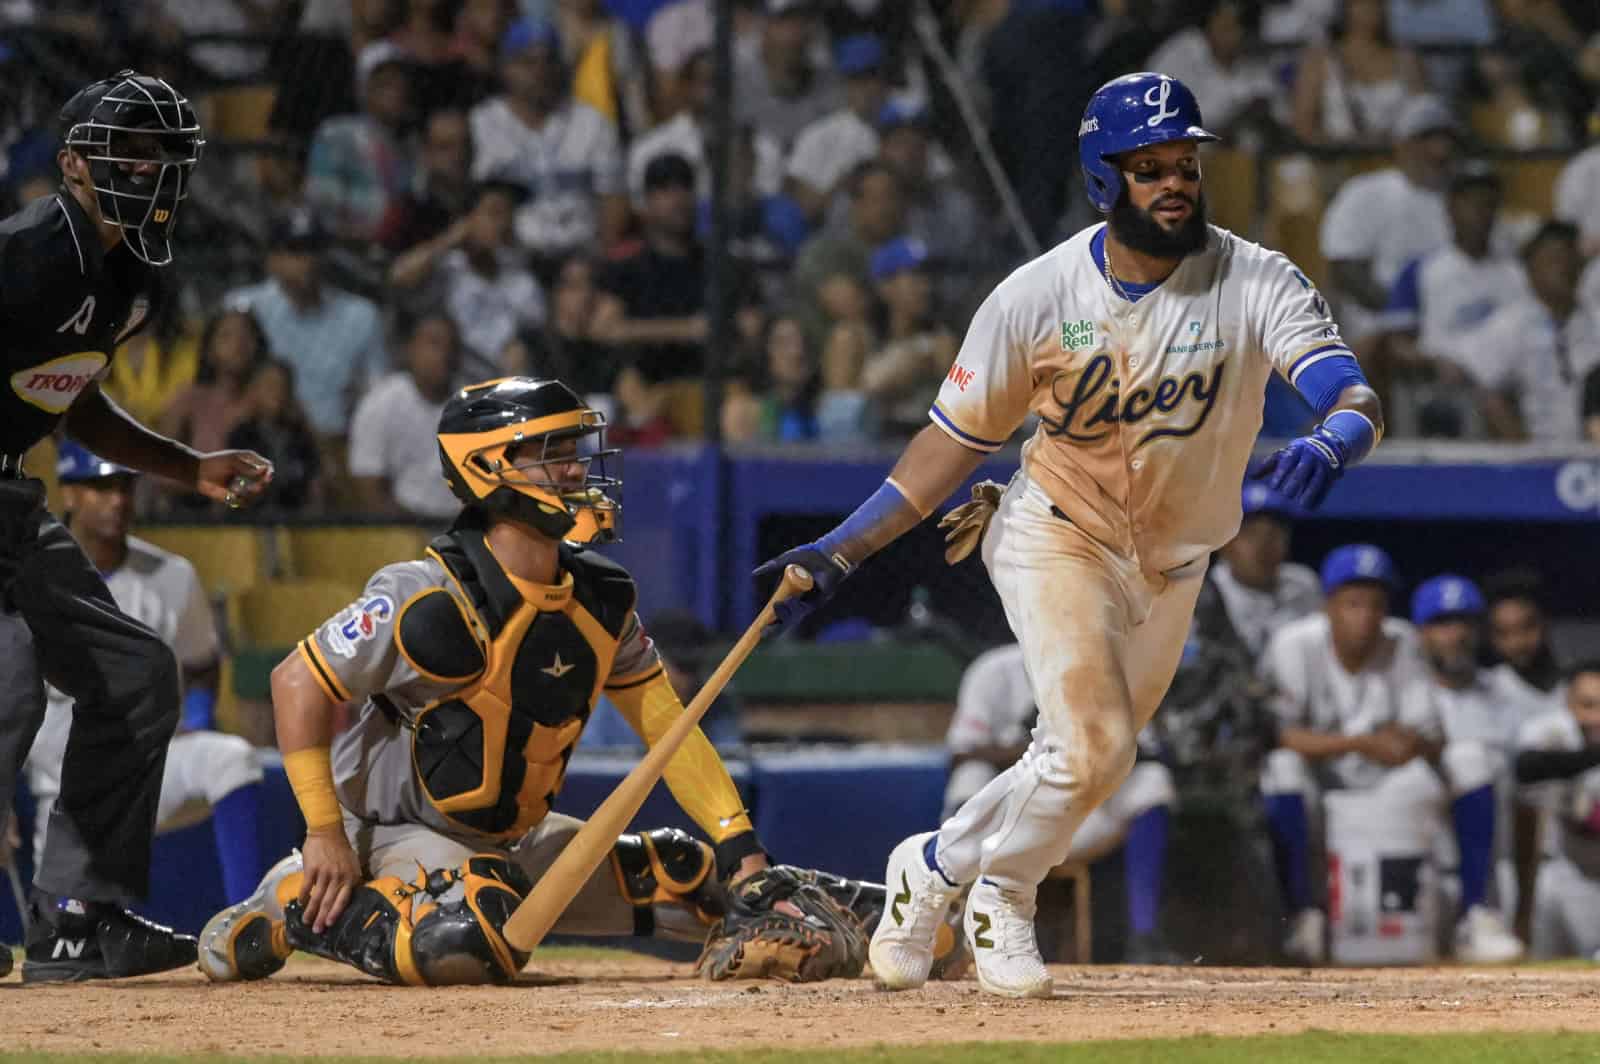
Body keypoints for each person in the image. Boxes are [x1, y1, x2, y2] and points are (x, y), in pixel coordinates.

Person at [759, 72, 1386, 998]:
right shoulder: (1036, 296)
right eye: (1149, 168)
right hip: (1057, 532)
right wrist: (843, 547)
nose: (1175, 181)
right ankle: (1001, 899)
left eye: (1184, 163)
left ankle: (929, 867)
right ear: (1104, 180)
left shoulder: (1255, 276)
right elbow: (951, 443)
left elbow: (1353, 390)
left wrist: (1336, 436)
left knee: (1079, 760)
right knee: (1098, 748)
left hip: (1177, 563)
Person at [197, 377, 888, 987]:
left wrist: (744, 854)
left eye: (574, 452)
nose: (576, 470)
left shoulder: (601, 600)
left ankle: (896, 916)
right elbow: (296, 682)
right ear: (487, 468)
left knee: (690, 873)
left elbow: (668, 732)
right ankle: (295, 898)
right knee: (469, 941)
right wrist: (323, 832)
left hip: (508, 840)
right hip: (388, 832)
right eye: (552, 454)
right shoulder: (427, 597)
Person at [0, 71, 272, 983]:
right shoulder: (31, 248)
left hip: (10, 501)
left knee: (134, 670)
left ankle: (79, 919)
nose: (151, 169)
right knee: (7, 691)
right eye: (132, 151)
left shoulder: (126, 276)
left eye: (163, 154)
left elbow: (73, 401)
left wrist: (188, 469)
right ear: (73, 163)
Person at [25, 442, 268, 906]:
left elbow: (200, 665)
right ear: (70, 494)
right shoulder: (31, 578)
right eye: (100, 486)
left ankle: (248, 917)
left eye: (124, 486)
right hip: (66, 794)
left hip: (149, 769)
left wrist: (197, 719)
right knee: (65, 940)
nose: (117, 499)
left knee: (232, 759)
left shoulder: (172, 576)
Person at [1258, 549, 1524, 965]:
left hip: (1388, 778)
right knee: (1280, 769)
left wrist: (1410, 743)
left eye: (1376, 603)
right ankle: (1302, 918)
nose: (1365, 615)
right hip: (1321, 775)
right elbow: (1279, 736)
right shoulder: (1295, 644)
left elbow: (1432, 737)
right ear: (1328, 605)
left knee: (1470, 759)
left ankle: (1475, 914)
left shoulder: (1402, 641)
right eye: (1353, 603)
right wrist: (1362, 742)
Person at [943, 643, 1182, 965]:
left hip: (1086, 814)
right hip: (1010, 815)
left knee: (1153, 782)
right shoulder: (994, 669)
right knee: (970, 778)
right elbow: (961, 752)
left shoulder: (1111, 668)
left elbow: (1147, 750)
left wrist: (1093, 749)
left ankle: (1146, 937)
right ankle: (955, 931)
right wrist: (1037, 754)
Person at [1514, 661, 1600, 958]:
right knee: (1536, 978)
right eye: (1588, 705)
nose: (1597, 717)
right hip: (1555, 871)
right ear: (1569, 702)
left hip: (1595, 881)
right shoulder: (1551, 729)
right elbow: (1526, 768)